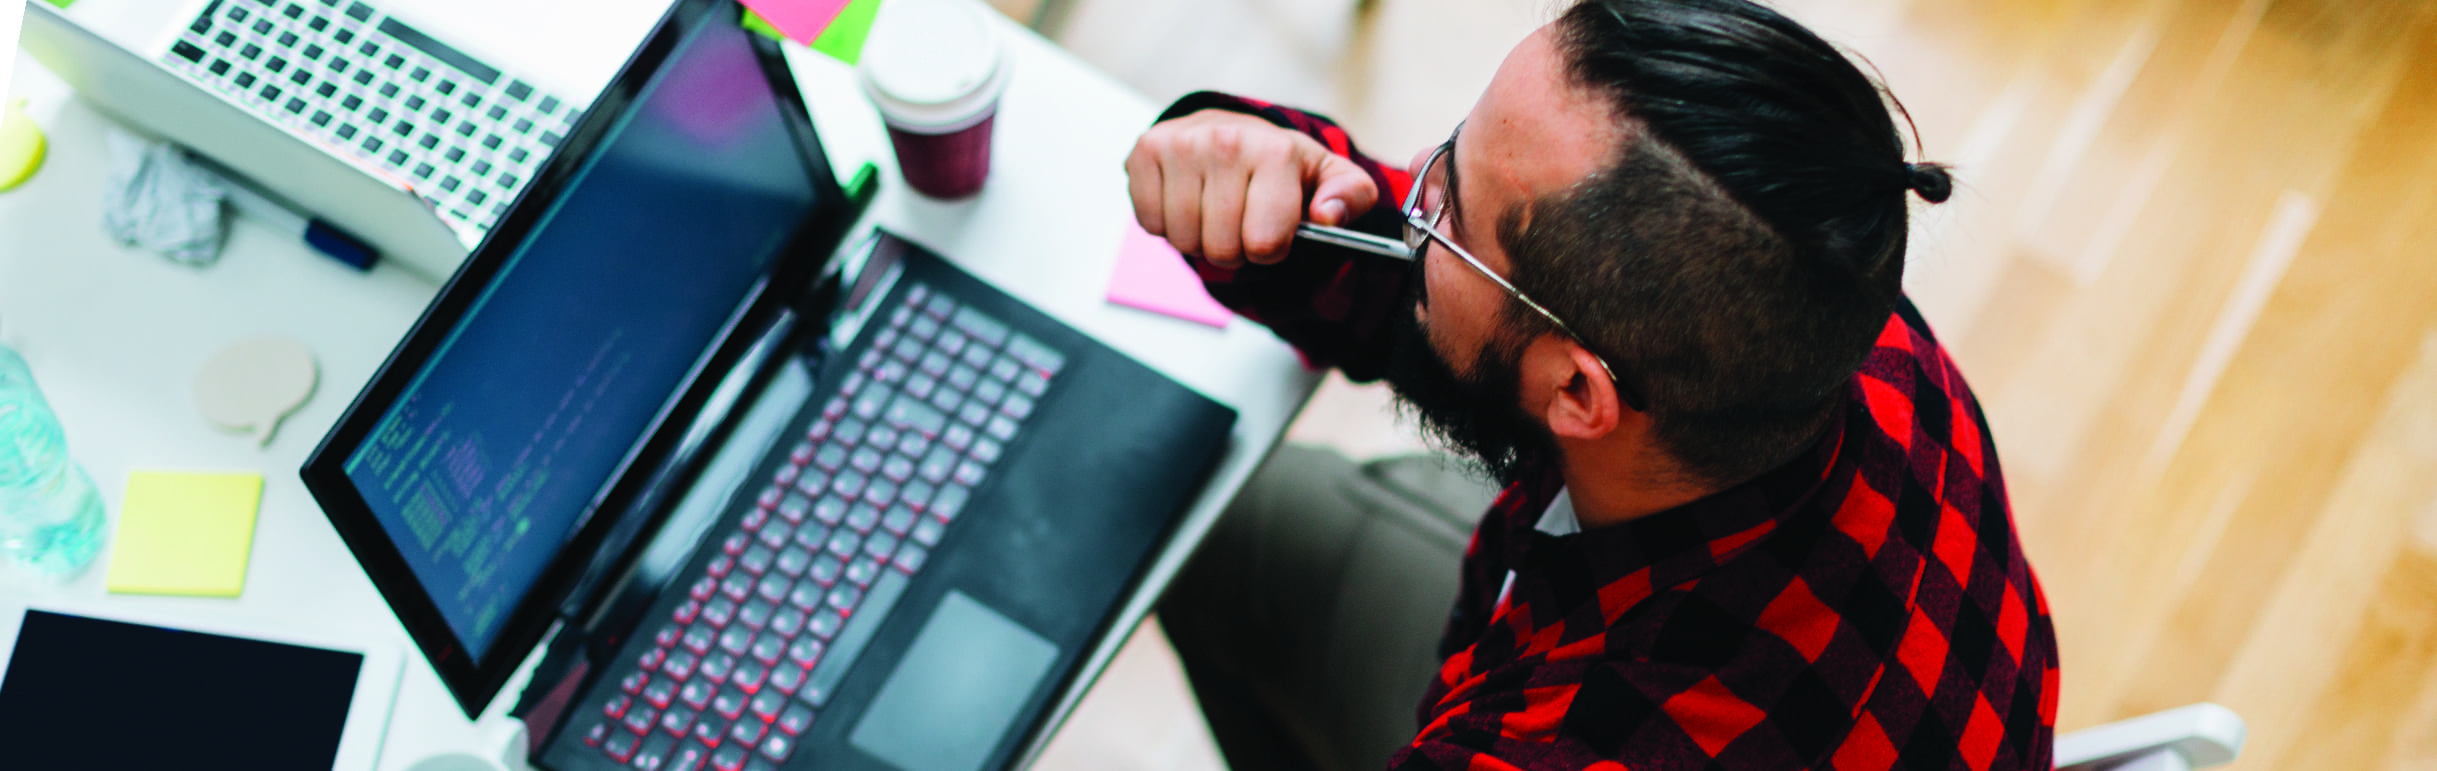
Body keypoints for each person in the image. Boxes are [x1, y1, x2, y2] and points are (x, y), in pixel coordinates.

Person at [1125, 0, 2061, 769]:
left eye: (1447, 204)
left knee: (1174, 510)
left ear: (1578, 396)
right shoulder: (1811, 293)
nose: (1411, 195)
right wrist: (1268, 169)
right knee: (1223, 520)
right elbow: (1446, 298)